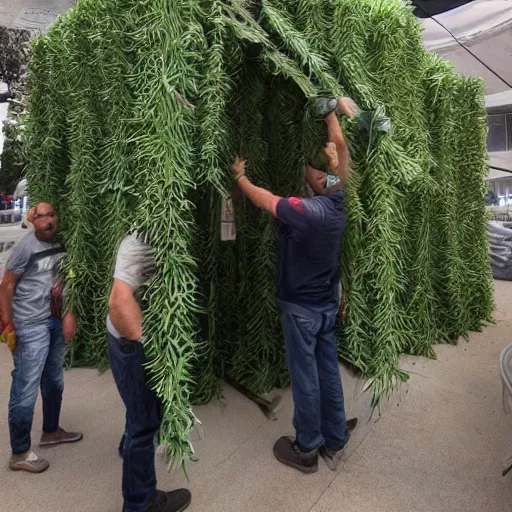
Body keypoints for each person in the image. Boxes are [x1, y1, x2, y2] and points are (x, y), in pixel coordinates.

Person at [232, 97, 360, 474]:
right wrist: (331, 116)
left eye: (322, 174)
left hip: (300, 310)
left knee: (305, 378)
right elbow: (338, 154)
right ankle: (335, 438)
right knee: (327, 371)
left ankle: (306, 448)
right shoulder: (337, 202)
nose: (318, 176)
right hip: (323, 308)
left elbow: (265, 200)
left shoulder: (303, 213)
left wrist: (240, 177)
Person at [107, 232, 192, 512]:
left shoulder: (164, 234)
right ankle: (140, 503)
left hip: (137, 339)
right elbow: (118, 302)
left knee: (141, 414)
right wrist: (153, 351)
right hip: (132, 343)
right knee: (143, 424)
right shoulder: (139, 242)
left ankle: (130, 453)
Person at [0, 202, 81, 474]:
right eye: (40, 216)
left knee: (54, 380)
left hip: (53, 320)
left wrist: (69, 313)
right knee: (25, 386)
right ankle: (20, 452)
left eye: (50, 215)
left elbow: (66, 280)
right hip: (29, 324)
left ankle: (51, 431)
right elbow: (6, 285)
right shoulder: (26, 248)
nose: (46, 221)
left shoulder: (60, 243)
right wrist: (7, 324)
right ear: (31, 220)